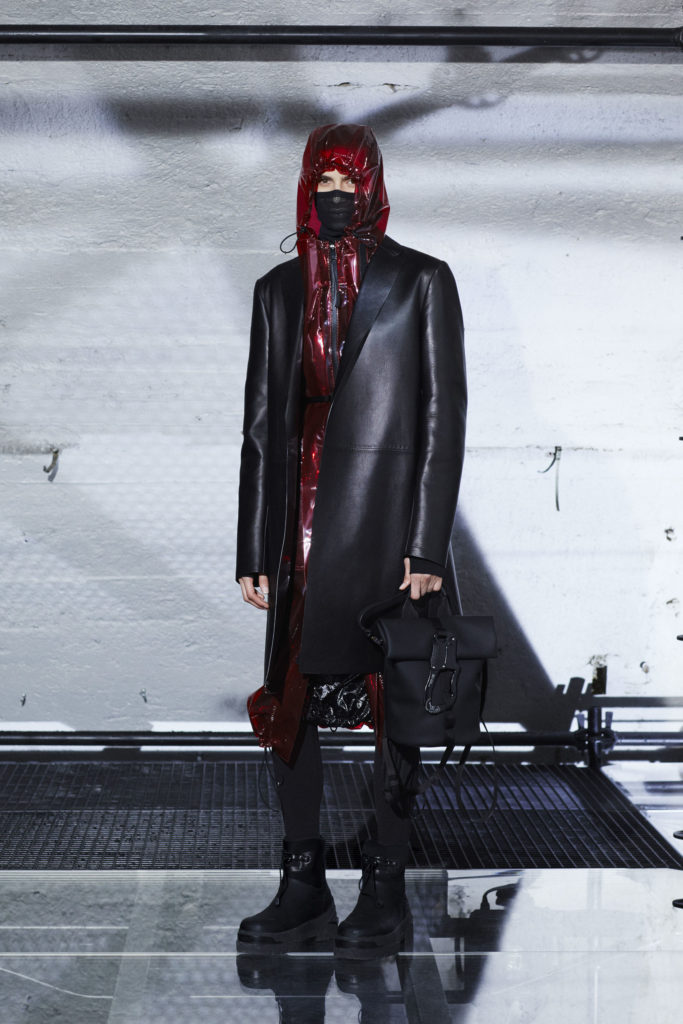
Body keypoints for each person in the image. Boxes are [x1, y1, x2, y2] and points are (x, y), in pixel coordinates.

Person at [235, 123, 466, 958]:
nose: (337, 196)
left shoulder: (421, 280)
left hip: (387, 521)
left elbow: (442, 419)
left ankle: (385, 887)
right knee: (289, 704)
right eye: (323, 183)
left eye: (349, 182)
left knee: (392, 700)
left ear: (373, 186)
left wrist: (426, 546)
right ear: (307, 188)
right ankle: (302, 884)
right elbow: (261, 425)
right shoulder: (277, 288)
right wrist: (254, 546)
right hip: (299, 522)